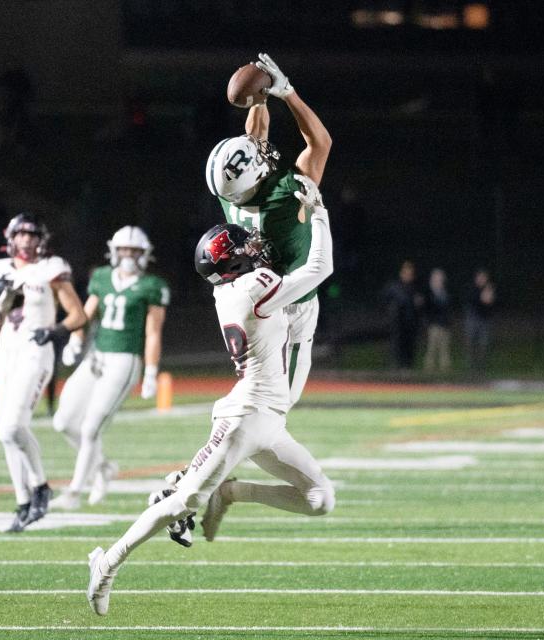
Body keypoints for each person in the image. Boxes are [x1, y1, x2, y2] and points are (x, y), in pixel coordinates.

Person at [87, 177, 334, 616]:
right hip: (246, 416)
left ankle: (232, 492)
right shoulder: (251, 288)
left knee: (320, 499)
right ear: (234, 264)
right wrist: (319, 214)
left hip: (270, 417)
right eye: (244, 247)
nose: (254, 247)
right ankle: (106, 563)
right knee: (183, 503)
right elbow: (318, 271)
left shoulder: (231, 289)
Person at [204, 52, 331, 407]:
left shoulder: (230, 198)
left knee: (259, 397)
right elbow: (320, 144)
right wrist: (286, 92)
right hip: (293, 306)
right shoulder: (287, 197)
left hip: (256, 303)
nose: (261, 151)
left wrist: (258, 98)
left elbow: (254, 135)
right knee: (278, 406)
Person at [50, 226, 170, 511]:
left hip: (125, 360)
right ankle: (103, 467)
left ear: (144, 254)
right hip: (96, 356)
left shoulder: (153, 285)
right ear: (115, 252)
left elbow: (153, 332)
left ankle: (75, 492)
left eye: (134, 251)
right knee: (63, 422)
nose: (128, 255)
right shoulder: (102, 278)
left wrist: (151, 371)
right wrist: (75, 341)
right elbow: (86, 315)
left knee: (91, 428)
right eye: (124, 250)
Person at [0, 214, 87, 532]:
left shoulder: (51, 268)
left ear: (41, 239)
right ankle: (24, 502)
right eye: (21, 234)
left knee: (12, 427)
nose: (26, 240)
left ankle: (40, 485)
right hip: (6, 354)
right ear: (11, 237)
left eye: (32, 234)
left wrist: (53, 333)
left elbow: (78, 315)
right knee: (6, 433)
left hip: (35, 352)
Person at [382, 261, 422, 372]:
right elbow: (385, 300)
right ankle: (396, 368)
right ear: (401, 273)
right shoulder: (394, 287)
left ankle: (407, 368)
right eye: (406, 272)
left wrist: (418, 303)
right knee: (396, 346)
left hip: (411, 322)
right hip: (397, 323)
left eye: (410, 273)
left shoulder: (414, 288)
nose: (408, 275)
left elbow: (418, 305)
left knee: (410, 347)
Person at [464, 268, 495, 374]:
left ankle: (481, 368)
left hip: (484, 321)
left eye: (484, 277)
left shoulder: (489, 288)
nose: (482, 279)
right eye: (480, 277)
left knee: (484, 344)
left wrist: (488, 295)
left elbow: (490, 303)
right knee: (470, 343)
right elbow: (475, 301)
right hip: (473, 320)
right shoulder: (472, 288)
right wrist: (483, 298)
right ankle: (470, 367)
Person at [422, 268, 452, 373]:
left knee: (444, 349)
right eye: (437, 278)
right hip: (433, 324)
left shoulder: (445, 292)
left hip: (445, 324)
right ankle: (429, 370)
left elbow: (447, 309)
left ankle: (445, 371)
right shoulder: (428, 292)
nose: (439, 280)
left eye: (440, 278)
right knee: (432, 348)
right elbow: (427, 309)